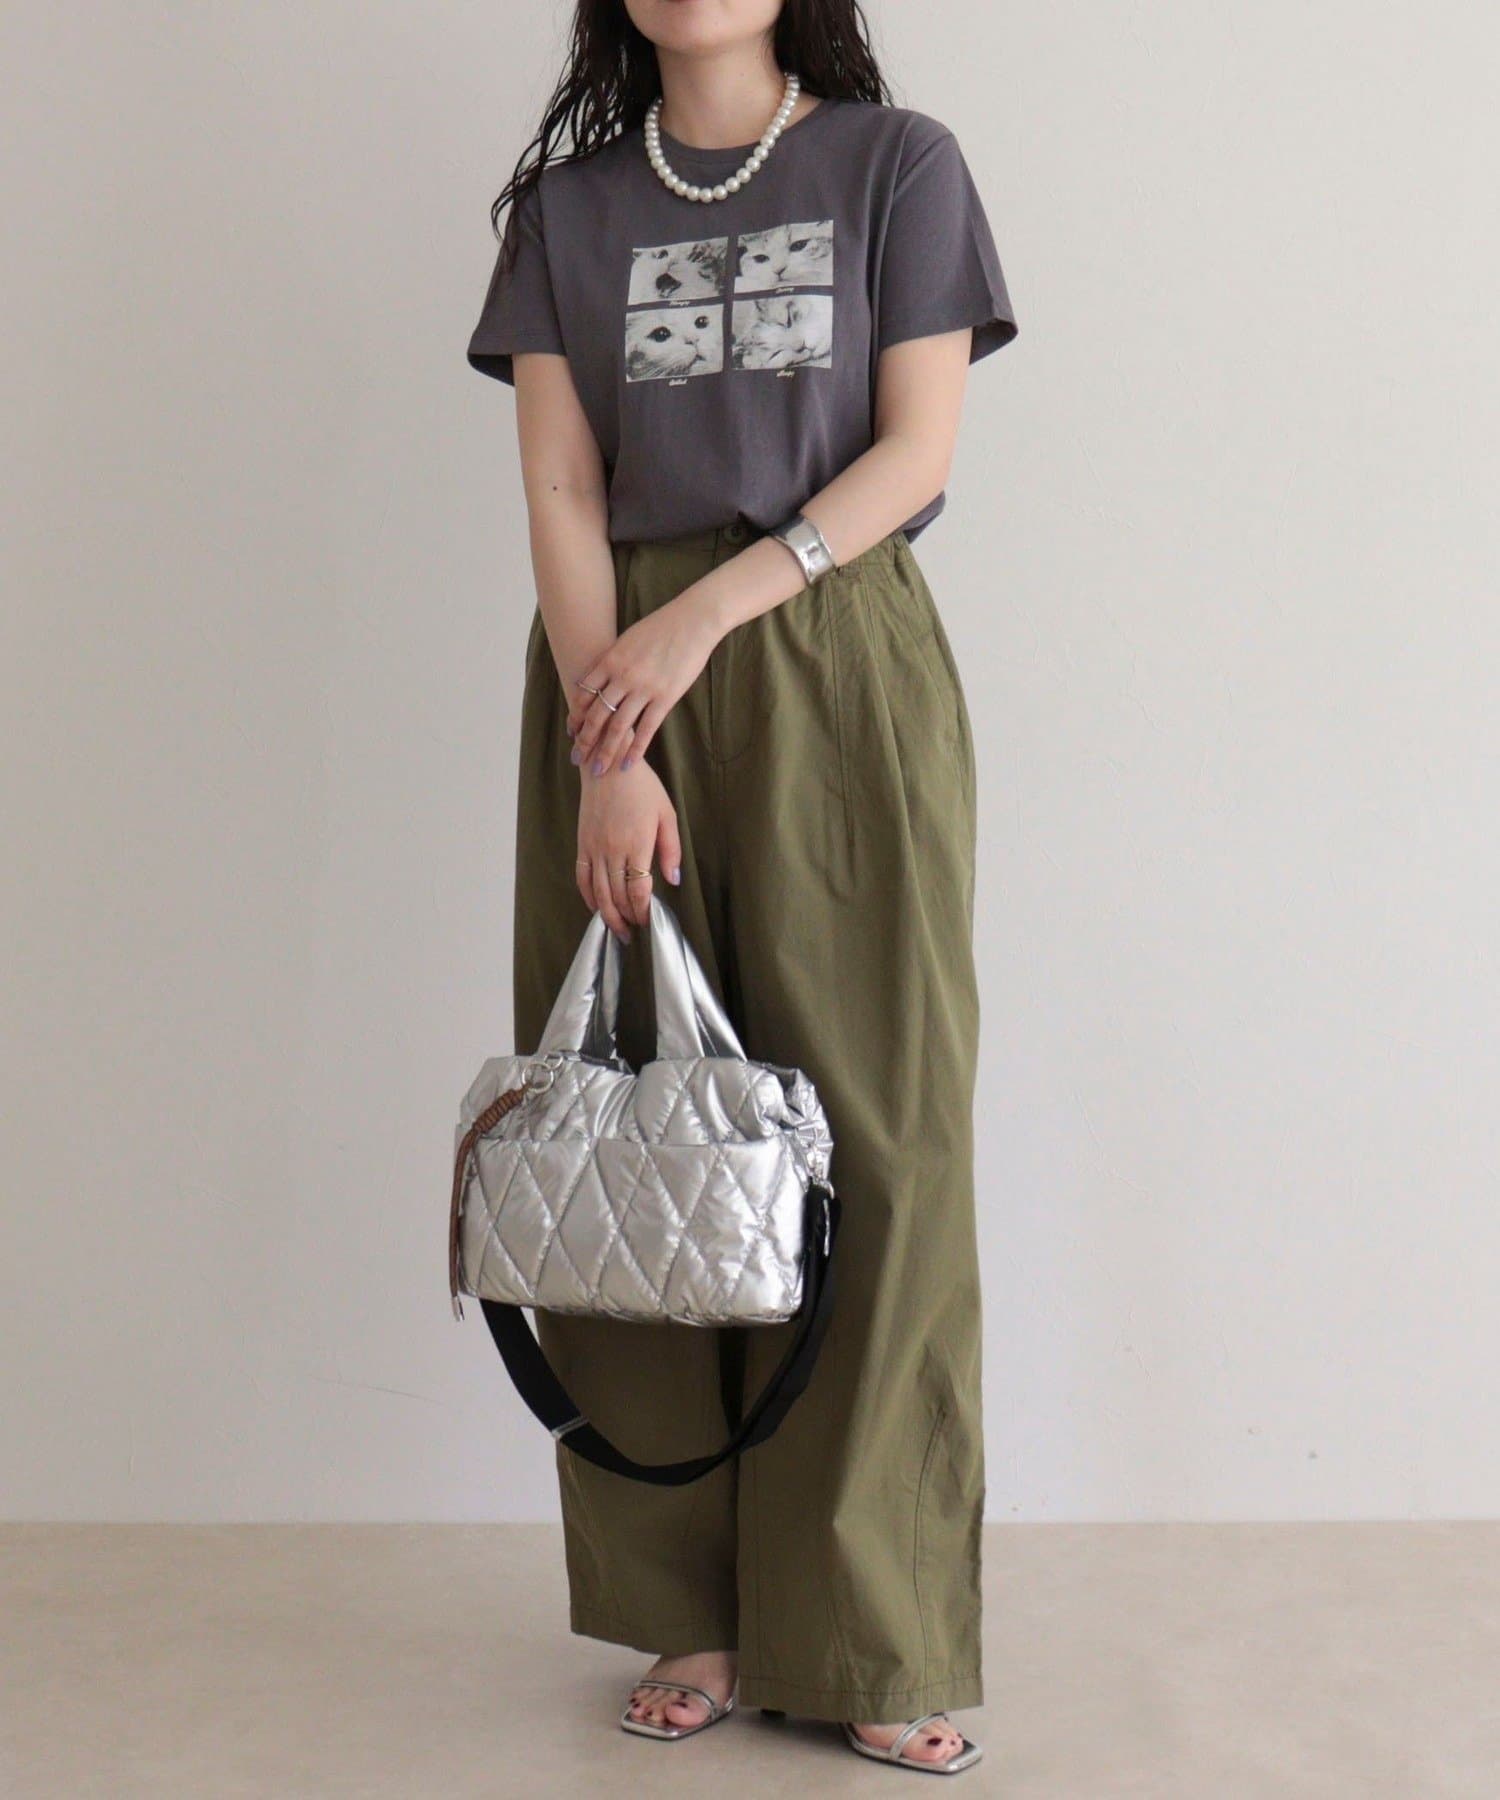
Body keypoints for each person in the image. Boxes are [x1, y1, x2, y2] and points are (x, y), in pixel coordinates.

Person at [466, 0, 1017, 1775]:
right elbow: (562, 483)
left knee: (880, 1131)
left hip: (826, 651)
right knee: (627, 1119)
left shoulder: (895, 165)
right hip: (612, 687)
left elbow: (914, 454)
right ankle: (683, 1607)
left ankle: (870, 1625)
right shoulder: (567, 212)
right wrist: (604, 743)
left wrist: (707, 614)